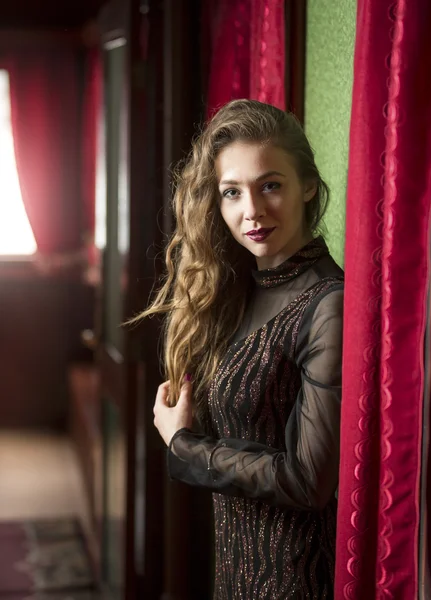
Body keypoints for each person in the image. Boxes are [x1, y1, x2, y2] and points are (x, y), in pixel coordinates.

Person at [144, 99, 343, 599]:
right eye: (232, 192)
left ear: (309, 186)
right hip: (235, 564)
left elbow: (307, 480)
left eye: (270, 185)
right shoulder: (238, 287)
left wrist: (183, 444)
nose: (251, 210)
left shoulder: (328, 305)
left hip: (293, 576)